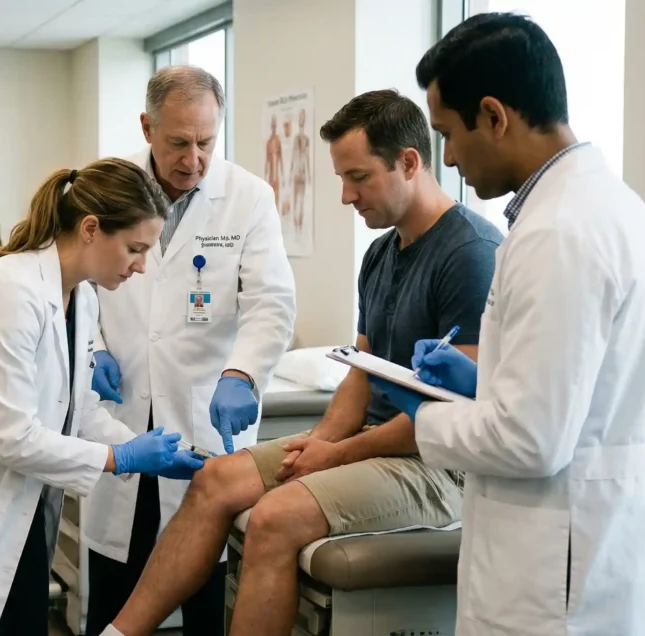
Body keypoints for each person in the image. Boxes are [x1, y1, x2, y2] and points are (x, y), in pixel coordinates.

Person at [100, 90, 502, 636]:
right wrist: (323, 440)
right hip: (370, 443)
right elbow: (362, 372)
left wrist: (336, 451)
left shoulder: (469, 254)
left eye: (357, 177)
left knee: (273, 518)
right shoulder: (382, 253)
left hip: (436, 462)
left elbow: (448, 419)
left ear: (409, 162)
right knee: (215, 479)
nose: (345, 196)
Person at [370, 13, 645, 636]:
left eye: (449, 135)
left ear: (494, 115)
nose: (449, 158)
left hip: (555, 578)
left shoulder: (559, 232)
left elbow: (531, 441)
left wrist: (424, 411)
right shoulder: (607, 208)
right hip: (595, 550)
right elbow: (573, 398)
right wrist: (478, 383)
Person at [0, 159, 208, 636]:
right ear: (91, 228)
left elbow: (77, 409)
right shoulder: (9, 291)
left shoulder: (80, 297)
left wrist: (145, 447)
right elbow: (12, 438)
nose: (141, 266)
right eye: (135, 248)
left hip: (16, 511)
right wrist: (121, 457)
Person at [85, 65, 297, 636]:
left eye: (206, 141)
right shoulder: (106, 188)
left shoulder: (248, 197)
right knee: (114, 587)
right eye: (179, 142)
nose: (193, 159)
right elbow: (76, 282)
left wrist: (244, 373)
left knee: (204, 589)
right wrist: (92, 348)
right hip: (122, 415)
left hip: (204, 415)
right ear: (147, 126)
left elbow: (271, 302)